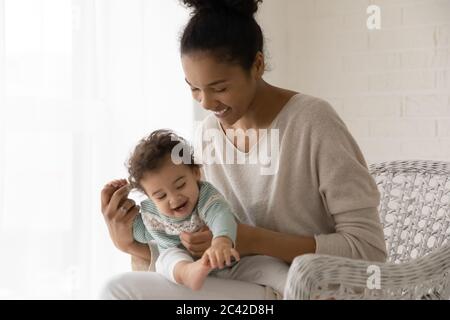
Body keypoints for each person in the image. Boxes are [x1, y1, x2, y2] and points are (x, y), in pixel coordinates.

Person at [100, 0, 387, 300]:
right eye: (194, 89)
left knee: (121, 291)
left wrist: (252, 240)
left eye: (219, 88)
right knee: (117, 289)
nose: (206, 103)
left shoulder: (312, 122)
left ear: (258, 65)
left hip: (311, 289)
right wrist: (130, 243)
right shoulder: (210, 133)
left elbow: (368, 251)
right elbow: (193, 250)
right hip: (245, 284)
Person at [122, 129, 240, 291]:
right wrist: (122, 206)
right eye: (161, 196)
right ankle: (187, 272)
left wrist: (221, 242)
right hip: (183, 265)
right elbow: (142, 234)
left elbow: (221, 216)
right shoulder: (152, 214)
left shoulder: (205, 197)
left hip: (226, 262)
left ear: (195, 173)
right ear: (149, 197)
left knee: (265, 265)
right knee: (166, 258)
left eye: (180, 185)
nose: (174, 199)